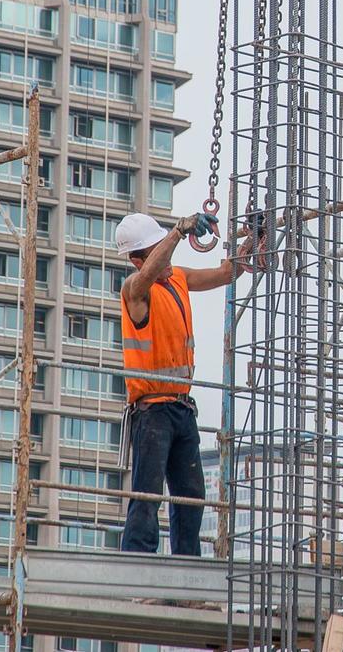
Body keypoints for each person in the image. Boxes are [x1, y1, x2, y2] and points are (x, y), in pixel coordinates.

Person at [114, 210, 246, 555]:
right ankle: (137, 568)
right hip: (151, 412)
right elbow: (142, 281)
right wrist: (176, 232)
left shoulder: (178, 280)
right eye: (159, 251)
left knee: (191, 496)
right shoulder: (134, 290)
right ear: (138, 259)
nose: (169, 257)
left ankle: (187, 571)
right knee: (147, 495)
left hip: (182, 410)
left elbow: (226, 273)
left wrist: (255, 243)